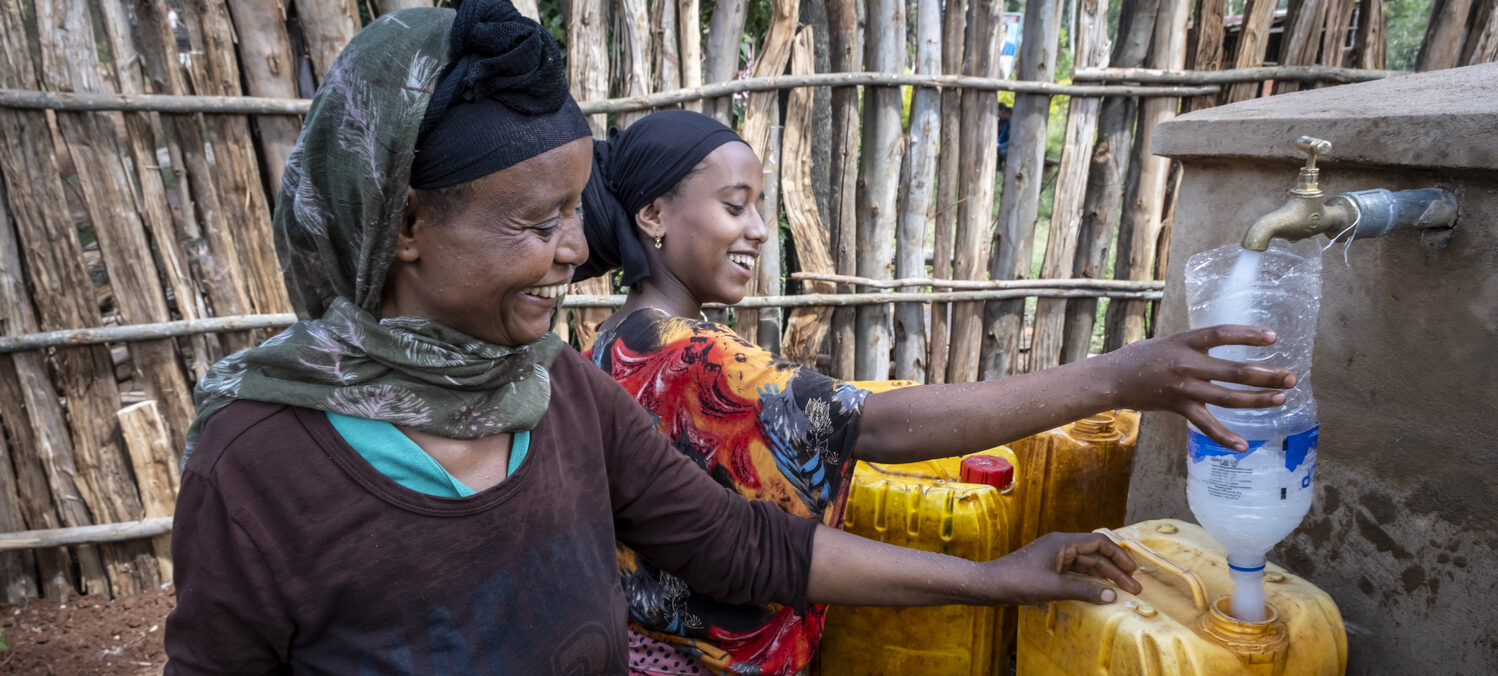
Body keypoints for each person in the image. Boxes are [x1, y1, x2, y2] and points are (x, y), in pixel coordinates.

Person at [165, 3, 1143, 674]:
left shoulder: (560, 394)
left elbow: (745, 546)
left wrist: (994, 580)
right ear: (406, 223)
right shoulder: (263, 458)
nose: (571, 249)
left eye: (570, 213)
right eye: (533, 221)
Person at [578, 110, 1298, 675]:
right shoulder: (691, 354)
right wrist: (1117, 378)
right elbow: (880, 426)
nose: (761, 230)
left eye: (762, 206)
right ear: (653, 216)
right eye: (736, 207)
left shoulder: (611, 345)